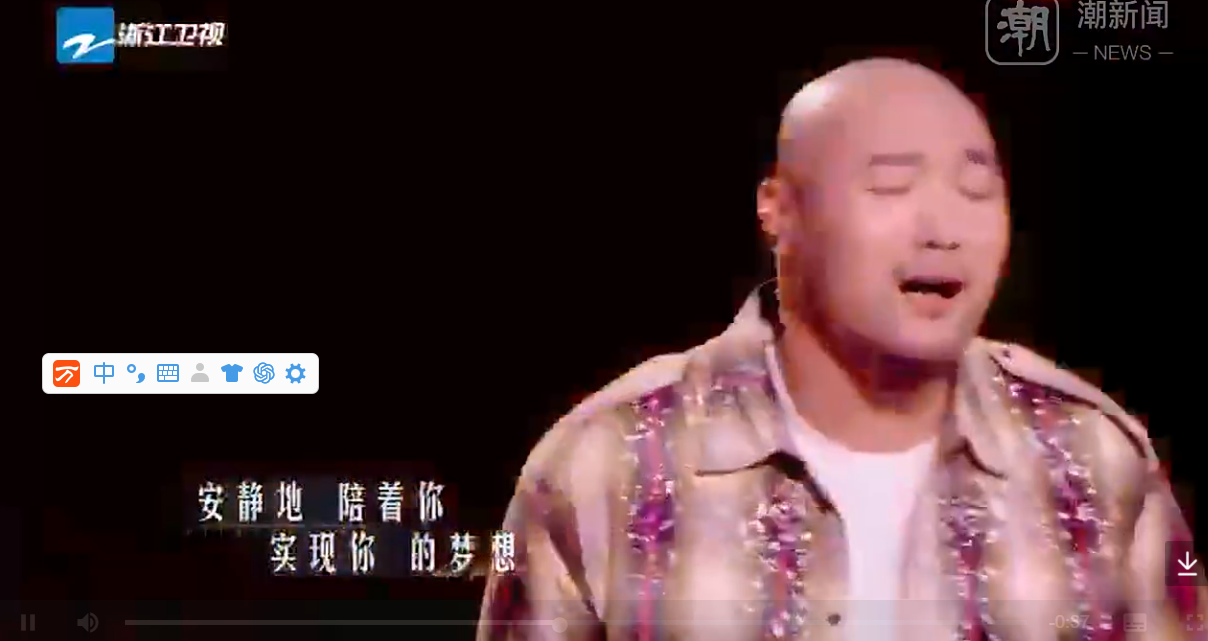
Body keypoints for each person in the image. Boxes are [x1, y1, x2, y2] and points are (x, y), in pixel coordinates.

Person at [476, 58, 1205, 641]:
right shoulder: (610, 463)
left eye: (977, 190)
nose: (943, 228)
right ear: (778, 210)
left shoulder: (1092, 458)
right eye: (891, 184)